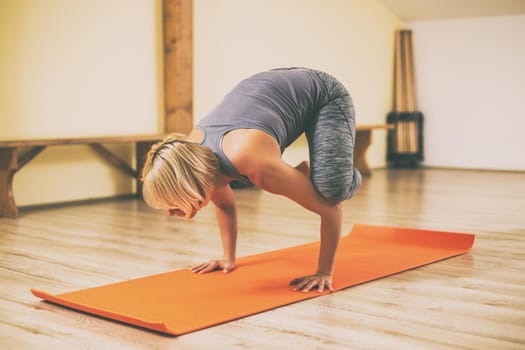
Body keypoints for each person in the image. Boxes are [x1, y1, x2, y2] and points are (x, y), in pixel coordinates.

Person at [140, 67, 361, 293]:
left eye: (174, 205)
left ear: (190, 187)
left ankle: (339, 174)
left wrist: (323, 272)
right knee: (320, 183)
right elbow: (225, 206)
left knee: (331, 189)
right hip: (275, 87)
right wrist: (228, 259)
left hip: (324, 95)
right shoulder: (198, 162)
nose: (171, 213)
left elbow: (332, 211)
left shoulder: (254, 163)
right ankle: (307, 174)